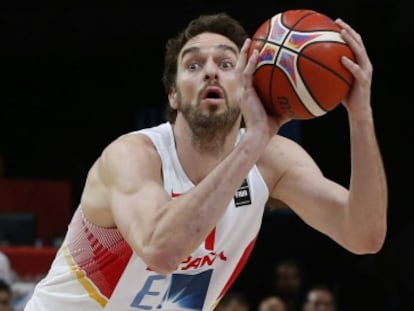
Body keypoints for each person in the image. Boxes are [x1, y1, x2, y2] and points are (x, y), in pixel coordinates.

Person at [24, 11, 387, 311]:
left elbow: (364, 235)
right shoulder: (134, 156)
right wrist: (253, 142)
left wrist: (360, 115)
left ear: (248, 83)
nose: (211, 70)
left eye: (226, 63)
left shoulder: (273, 161)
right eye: (194, 64)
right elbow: (161, 251)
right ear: (174, 95)